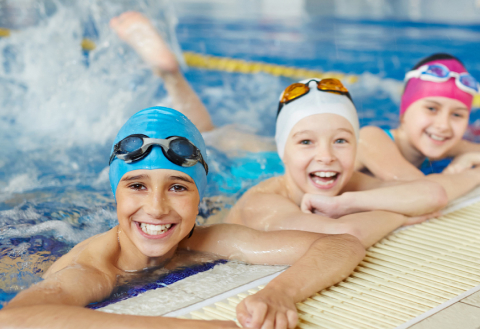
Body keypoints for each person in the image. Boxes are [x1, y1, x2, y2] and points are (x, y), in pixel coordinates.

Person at [110, 12, 455, 248]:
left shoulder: (340, 181)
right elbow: (346, 232)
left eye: (341, 140)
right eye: (306, 140)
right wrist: (396, 215)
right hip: (221, 194)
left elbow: (433, 194)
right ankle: (172, 76)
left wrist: (352, 200)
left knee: (217, 137)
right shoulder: (264, 203)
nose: (328, 155)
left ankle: (172, 76)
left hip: (270, 166)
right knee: (206, 144)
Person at [0, 107, 366, 329]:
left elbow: (340, 245)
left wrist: (280, 294)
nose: (157, 208)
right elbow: (14, 320)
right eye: (137, 186)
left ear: (199, 195)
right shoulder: (93, 269)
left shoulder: (205, 239)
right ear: (115, 194)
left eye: (177, 188)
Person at [356, 53, 480, 180]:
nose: (443, 125)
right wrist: (473, 170)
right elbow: (426, 192)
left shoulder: (438, 142)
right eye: (431, 109)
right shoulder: (370, 140)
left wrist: (469, 158)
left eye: (457, 114)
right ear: (404, 112)